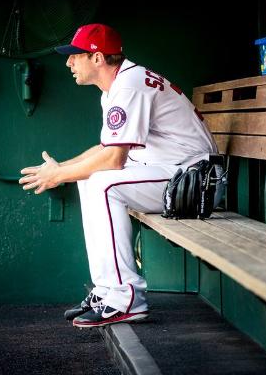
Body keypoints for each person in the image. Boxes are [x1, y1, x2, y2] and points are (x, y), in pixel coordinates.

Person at [19, 23, 220, 328]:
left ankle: (126, 298)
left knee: (101, 182)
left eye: (76, 55)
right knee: (89, 179)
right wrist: (62, 170)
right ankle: (107, 291)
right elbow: (105, 148)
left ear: (97, 58)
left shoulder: (129, 85)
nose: (69, 62)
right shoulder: (118, 85)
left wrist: (58, 176)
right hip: (174, 174)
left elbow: (113, 161)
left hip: (195, 183)